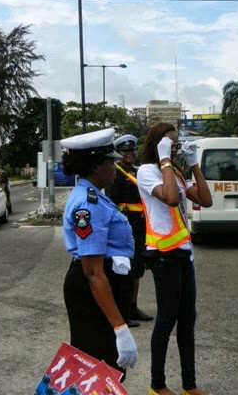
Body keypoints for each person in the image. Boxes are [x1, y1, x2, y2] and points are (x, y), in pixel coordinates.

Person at [136, 122, 213, 395]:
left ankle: (189, 385)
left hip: (183, 255)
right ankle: (157, 385)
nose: (176, 147)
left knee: (187, 320)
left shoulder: (175, 172)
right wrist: (165, 160)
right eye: (171, 143)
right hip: (163, 257)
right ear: (158, 145)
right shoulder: (146, 171)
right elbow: (169, 198)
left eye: (177, 143)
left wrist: (193, 165)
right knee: (166, 320)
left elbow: (205, 200)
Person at [61, 128, 138, 378]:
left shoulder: (96, 196)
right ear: (96, 167)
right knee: (99, 370)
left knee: (101, 369)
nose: (115, 168)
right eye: (110, 162)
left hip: (104, 283)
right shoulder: (88, 205)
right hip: (94, 288)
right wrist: (120, 328)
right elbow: (93, 272)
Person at [106, 133, 154, 328]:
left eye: (131, 151)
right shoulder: (115, 174)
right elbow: (112, 203)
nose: (129, 155)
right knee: (125, 271)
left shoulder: (136, 172)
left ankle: (133, 307)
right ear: (118, 153)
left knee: (137, 269)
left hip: (140, 226)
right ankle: (123, 312)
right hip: (125, 226)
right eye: (125, 152)